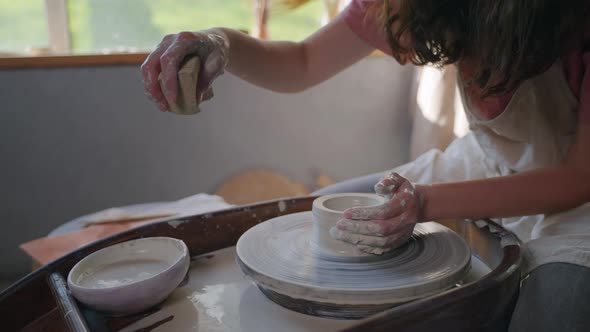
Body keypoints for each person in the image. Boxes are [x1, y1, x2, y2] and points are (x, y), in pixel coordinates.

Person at [141, 0, 590, 330]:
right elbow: (302, 63)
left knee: (550, 315)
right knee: (324, 219)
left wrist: (425, 201)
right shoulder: (411, 6)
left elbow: (577, 179)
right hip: (486, 160)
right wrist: (219, 43)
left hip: (579, 202)